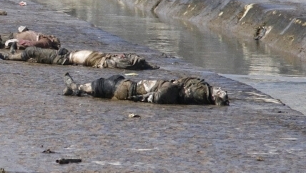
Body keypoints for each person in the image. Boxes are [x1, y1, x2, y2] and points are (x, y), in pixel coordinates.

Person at [62, 73, 229, 105]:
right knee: (108, 84)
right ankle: (78, 90)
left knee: (106, 84)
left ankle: (76, 89)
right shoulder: (200, 91)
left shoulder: (197, 92)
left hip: (130, 89)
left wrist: (144, 99)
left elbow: (167, 91)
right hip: (131, 89)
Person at [0, 46, 157, 70]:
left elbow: (133, 61)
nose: (122, 55)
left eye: (124, 57)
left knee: (31, 53)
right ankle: (13, 54)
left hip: (64, 58)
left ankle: (9, 57)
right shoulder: (106, 58)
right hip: (66, 55)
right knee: (32, 58)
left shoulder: (105, 62)